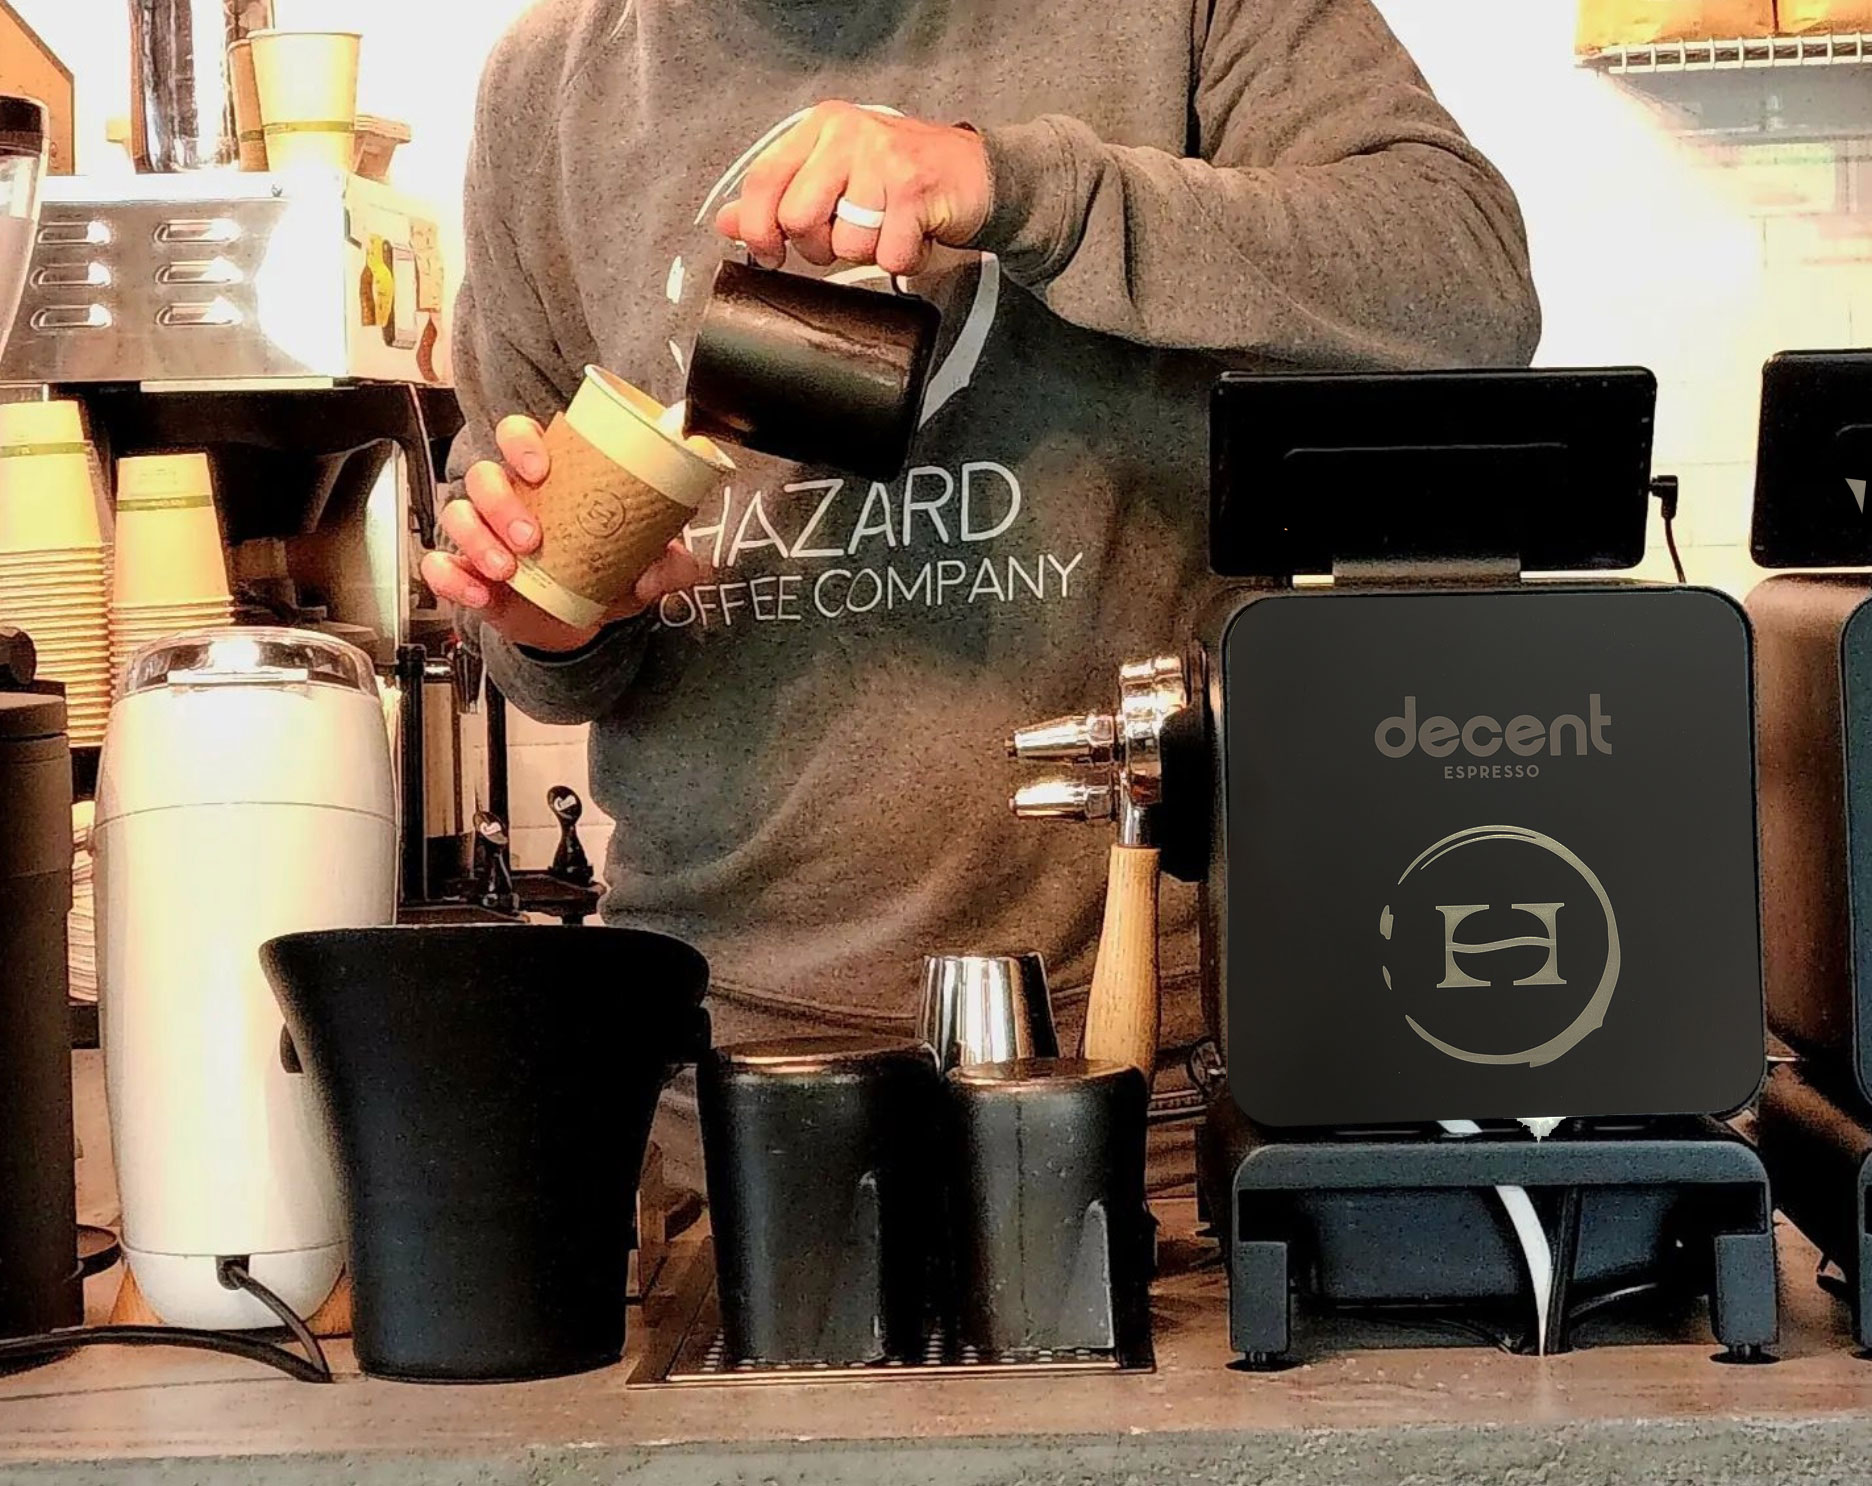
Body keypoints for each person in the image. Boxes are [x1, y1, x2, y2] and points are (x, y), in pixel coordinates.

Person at [423, 0, 1542, 1189]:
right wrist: (552, 618)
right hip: (722, 1107)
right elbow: (538, 618)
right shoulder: (550, 81)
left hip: (1151, 1086)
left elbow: (1469, 285)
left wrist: (1025, 190)